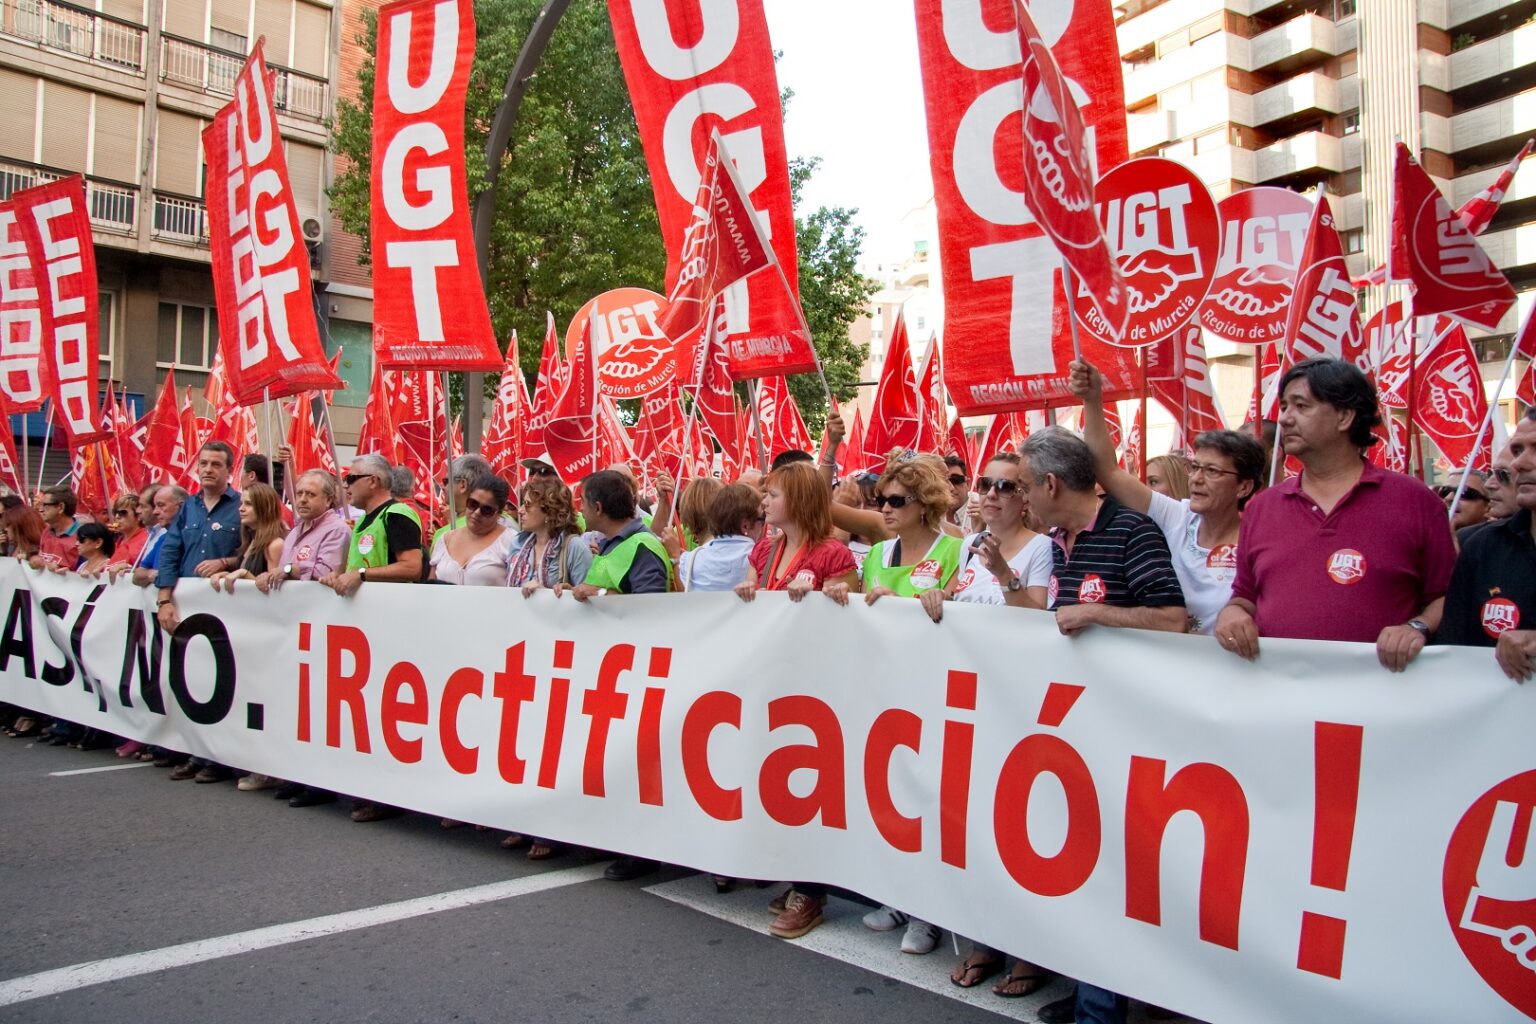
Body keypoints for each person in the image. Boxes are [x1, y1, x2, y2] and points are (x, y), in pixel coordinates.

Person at [1020, 426, 1186, 1024]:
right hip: (1079, 730)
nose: (1019, 498)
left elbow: (1172, 619)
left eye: (1022, 485)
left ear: (1051, 483)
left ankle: (1102, 1010)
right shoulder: (1060, 540)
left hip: (1130, 732)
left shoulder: (1131, 532)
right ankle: (1095, 993)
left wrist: (1097, 613)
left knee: (1117, 871)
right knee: (1087, 868)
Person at [1214, 358, 1456, 673]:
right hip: (1278, 697)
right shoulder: (1261, 508)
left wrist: (1417, 627)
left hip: (1383, 699)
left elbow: (1448, 596)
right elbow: (1244, 597)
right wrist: (1232, 614)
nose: (1285, 418)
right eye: (1284, 406)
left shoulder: (1415, 501)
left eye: (1301, 406)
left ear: (1344, 416)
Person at [824, 451, 960, 956]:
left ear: (925, 503)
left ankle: (929, 911)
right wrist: (843, 592)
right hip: (886, 689)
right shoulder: (878, 554)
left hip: (935, 690)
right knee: (892, 791)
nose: (885, 508)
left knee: (929, 795)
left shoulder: (955, 551)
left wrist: (945, 602)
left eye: (897, 500)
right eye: (882, 500)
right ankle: (902, 895)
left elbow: (970, 610)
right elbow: (854, 601)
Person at [1070, 359, 1266, 635]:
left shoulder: (1260, 539)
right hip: (1172, 671)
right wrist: (1092, 400)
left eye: (1212, 471)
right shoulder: (1177, 516)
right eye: (1195, 468)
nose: (1196, 479)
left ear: (1244, 487)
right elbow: (1108, 471)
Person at [571, 469, 672, 881]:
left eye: (583, 501)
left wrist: (602, 596)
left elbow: (649, 606)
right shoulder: (612, 545)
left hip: (634, 672)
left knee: (634, 763)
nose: (579, 508)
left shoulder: (642, 545)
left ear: (597, 507)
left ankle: (641, 851)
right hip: (610, 671)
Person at [318, 454, 423, 823]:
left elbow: (412, 566)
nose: (345, 485)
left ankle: (386, 793)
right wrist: (340, 576)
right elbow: (356, 570)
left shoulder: (398, 515)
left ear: (374, 481)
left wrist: (361, 575)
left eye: (351, 478)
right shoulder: (365, 520)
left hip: (391, 628)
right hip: (366, 631)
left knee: (387, 713)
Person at [156, 441, 243, 783]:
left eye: (215, 464)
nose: (207, 469)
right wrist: (165, 598)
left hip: (228, 612)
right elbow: (170, 552)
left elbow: (254, 549)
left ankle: (219, 757)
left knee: (222, 686)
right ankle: (196, 750)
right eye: (203, 463)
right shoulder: (188, 508)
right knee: (191, 679)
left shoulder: (239, 506)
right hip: (189, 612)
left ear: (228, 470)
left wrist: (226, 562)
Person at [1440, 409, 1536, 673]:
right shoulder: (1480, 547)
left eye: (1535, 449)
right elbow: (1452, 650)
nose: (1520, 464)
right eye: (1517, 450)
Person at [921, 452, 1051, 625]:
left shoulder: (1042, 547)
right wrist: (941, 598)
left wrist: (1003, 573)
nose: (991, 494)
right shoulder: (971, 543)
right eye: (985, 484)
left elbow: (1040, 621)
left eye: (1004, 487)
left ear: (1025, 498)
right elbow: (965, 606)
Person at [509, 475, 590, 599]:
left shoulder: (575, 547)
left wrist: (546, 595)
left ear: (549, 511)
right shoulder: (518, 543)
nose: (520, 510)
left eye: (527, 505)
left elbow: (588, 598)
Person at [431, 474, 517, 585]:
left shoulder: (511, 541)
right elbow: (431, 586)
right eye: (473, 504)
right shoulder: (445, 539)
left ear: (499, 513)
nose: (477, 513)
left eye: (486, 510)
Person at [678, 483, 762, 593]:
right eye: (762, 519)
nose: (764, 524)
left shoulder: (689, 560)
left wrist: (676, 560)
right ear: (745, 526)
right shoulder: (761, 556)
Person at [209, 484, 287, 592]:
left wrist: (244, 574)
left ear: (264, 508)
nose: (241, 509)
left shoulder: (275, 544)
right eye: (241, 503)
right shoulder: (250, 539)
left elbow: (273, 590)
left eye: (249, 504)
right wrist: (227, 576)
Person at [131, 485, 186, 588]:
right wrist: (149, 574)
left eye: (161, 505)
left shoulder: (198, 537)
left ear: (181, 506)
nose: (155, 512)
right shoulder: (163, 538)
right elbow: (137, 576)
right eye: (155, 506)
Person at [32, 486, 80, 571]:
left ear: (60, 507)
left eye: (45, 505)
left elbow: (89, 574)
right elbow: (41, 558)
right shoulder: (47, 531)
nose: (40, 509)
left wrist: (68, 574)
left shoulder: (83, 536)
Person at [106, 493, 150, 570]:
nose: (117, 516)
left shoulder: (146, 539)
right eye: (115, 512)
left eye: (123, 513)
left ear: (138, 515)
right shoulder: (117, 541)